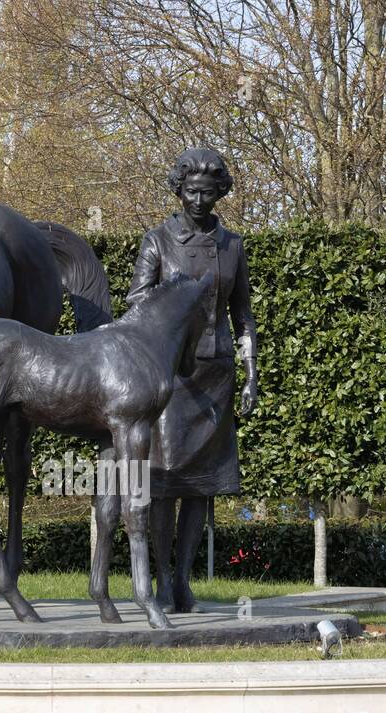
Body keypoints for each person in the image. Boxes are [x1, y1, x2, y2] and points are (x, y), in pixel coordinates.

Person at [125, 147, 258, 612]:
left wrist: (250, 375)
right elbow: (137, 304)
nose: (199, 200)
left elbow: (242, 316)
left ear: (221, 192)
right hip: (171, 376)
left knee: (202, 484)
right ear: (178, 190)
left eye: (208, 192)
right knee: (163, 481)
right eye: (190, 191)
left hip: (215, 372)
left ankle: (184, 579)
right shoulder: (158, 241)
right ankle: (161, 579)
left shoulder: (233, 245)